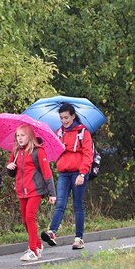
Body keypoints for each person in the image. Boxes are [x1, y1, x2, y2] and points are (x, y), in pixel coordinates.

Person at [41, 103, 94, 250]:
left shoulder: (82, 132)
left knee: (78, 205)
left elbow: (88, 154)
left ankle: (79, 238)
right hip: (64, 172)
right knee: (60, 203)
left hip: (78, 172)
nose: (64, 121)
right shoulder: (59, 133)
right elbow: (52, 152)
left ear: (73, 116)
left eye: (66, 117)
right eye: (61, 118)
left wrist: (83, 173)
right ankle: (52, 232)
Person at [6, 124, 56, 261]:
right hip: (21, 190)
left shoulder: (38, 151)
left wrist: (52, 193)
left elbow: (47, 172)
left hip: (35, 190)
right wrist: (10, 168)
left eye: (23, 135)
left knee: (30, 218)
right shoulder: (16, 151)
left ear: (30, 136)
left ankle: (33, 250)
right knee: (24, 221)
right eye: (17, 135)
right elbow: (12, 172)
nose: (20, 138)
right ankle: (38, 245)